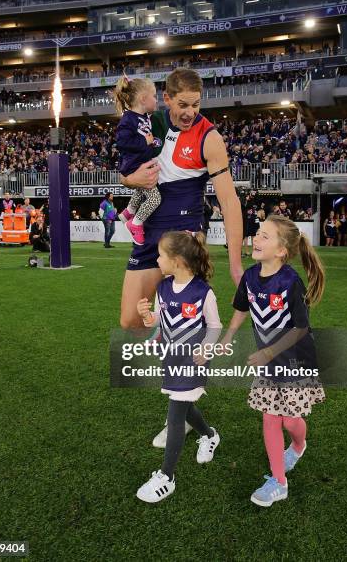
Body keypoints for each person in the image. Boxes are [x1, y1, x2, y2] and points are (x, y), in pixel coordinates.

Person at [120, 68, 243, 448]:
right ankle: (186, 403)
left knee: (183, 336)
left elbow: (228, 200)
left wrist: (236, 262)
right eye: (183, 104)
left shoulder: (210, 137)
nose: (190, 111)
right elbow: (129, 169)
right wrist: (128, 181)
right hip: (148, 223)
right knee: (131, 320)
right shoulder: (149, 121)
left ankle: (181, 411)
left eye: (196, 104)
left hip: (185, 230)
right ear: (167, 99)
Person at [222, 215, 325, 506]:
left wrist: (268, 352)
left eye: (265, 236)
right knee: (270, 417)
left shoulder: (291, 282)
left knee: (290, 420)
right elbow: (242, 307)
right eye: (257, 233)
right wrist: (228, 336)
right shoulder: (250, 277)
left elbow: (300, 328)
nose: (256, 238)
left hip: (295, 362)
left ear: (281, 250)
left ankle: (298, 443)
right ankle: (279, 482)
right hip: (268, 365)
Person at [136, 231, 221, 503]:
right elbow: (159, 323)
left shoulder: (203, 293)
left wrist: (206, 348)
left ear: (177, 260)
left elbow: (215, 325)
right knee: (185, 406)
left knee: (175, 415)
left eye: (161, 255)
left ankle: (166, 476)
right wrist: (147, 317)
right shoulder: (163, 287)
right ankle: (209, 435)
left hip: (192, 363)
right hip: (171, 359)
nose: (157, 259)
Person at [114, 75, 161, 245]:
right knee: (155, 198)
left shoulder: (143, 117)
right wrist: (145, 142)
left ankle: (129, 211)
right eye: (154, 96)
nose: (157, 100)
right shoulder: (128, 118)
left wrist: (151, 143)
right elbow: (122, 142)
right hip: (134, 166)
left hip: (140, 163)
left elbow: (142, 138)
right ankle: (136, 223)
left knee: (141, 191)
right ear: (143, 98)